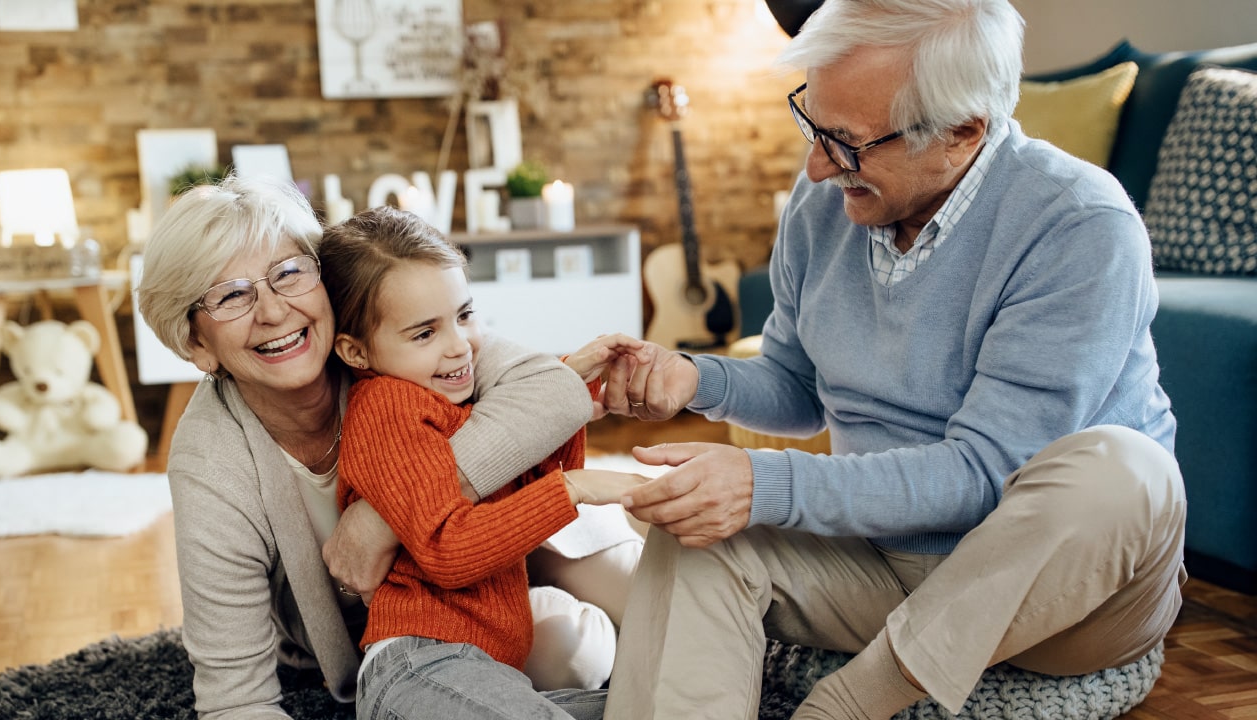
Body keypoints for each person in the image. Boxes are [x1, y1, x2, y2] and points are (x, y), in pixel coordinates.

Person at [598, 1, 1186, 719]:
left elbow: (980, 471)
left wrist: (764, 483)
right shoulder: (827, 201)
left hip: (1062, 600)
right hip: (882, 563)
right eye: (812, 125)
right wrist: (693, 378)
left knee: (1124, 471)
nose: (816, 165)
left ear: (963, 131)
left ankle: (846, 706)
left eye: (845, 143)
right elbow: (797, 384)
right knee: (696, 535)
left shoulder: (1079, 224)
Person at [136, 174, 643, 719]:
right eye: (232, 295)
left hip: (524, 557)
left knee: (669, 600)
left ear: (323, 281)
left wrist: (383, 517)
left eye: (288, 273)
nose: (275, 311)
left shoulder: (406, 336)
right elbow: (235, 699)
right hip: (409, 636)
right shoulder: (211, 461)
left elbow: (551, 393)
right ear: (195, 344)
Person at [318, 206, 649, 719]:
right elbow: (447, 548)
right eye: (424, 334)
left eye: (464, 316)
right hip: (418, 664)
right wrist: (575, 490)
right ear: (356, 353)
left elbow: (532, 485)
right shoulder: (388, 407)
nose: (460, 347)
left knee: (661, 703)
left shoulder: (454, 402)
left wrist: (568, 393)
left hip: (487, 670)